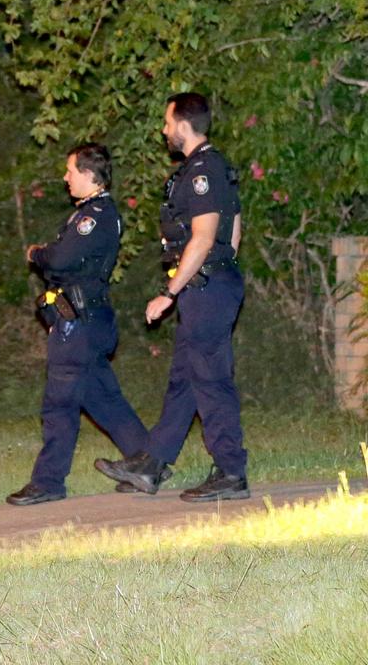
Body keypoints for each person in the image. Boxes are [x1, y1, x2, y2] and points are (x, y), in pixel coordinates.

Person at [95, 92, 248, 502]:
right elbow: (232, 232)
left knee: (211, 380)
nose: (163, 131)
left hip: (205, 286)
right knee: (185, 378)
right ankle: (152, 464)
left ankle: (231, 472)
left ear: (183, 124)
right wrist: (218, 269)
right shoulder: (214, 168)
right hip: (209, 285)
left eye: (166, 123)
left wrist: (169, 292)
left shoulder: (203, 170)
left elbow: (202, 237)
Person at [6, 143, 152, 506]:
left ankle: (48, 481)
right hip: (86, 321)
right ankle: (150, 462)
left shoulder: (96, 214)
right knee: (104, 399)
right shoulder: (90, 212)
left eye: (70, 171)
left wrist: (38, 254)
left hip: (81, 325)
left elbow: (62, 258)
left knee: (59, 404)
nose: (65, 177)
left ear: (89, 175)